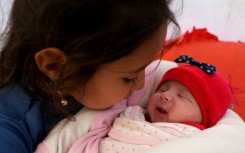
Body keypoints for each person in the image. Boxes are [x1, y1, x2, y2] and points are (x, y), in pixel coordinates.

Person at [1, 0, 245, 153]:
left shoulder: (101, 78)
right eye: (129, 78)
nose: (142, 83)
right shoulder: (10, 130)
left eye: (146, 67)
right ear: (57, 66)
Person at [99, 56, 235, 152]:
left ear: (204, 116)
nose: (165, 96)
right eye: (163, 89)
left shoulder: (197, 138)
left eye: (182, 96)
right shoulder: (135, 115)